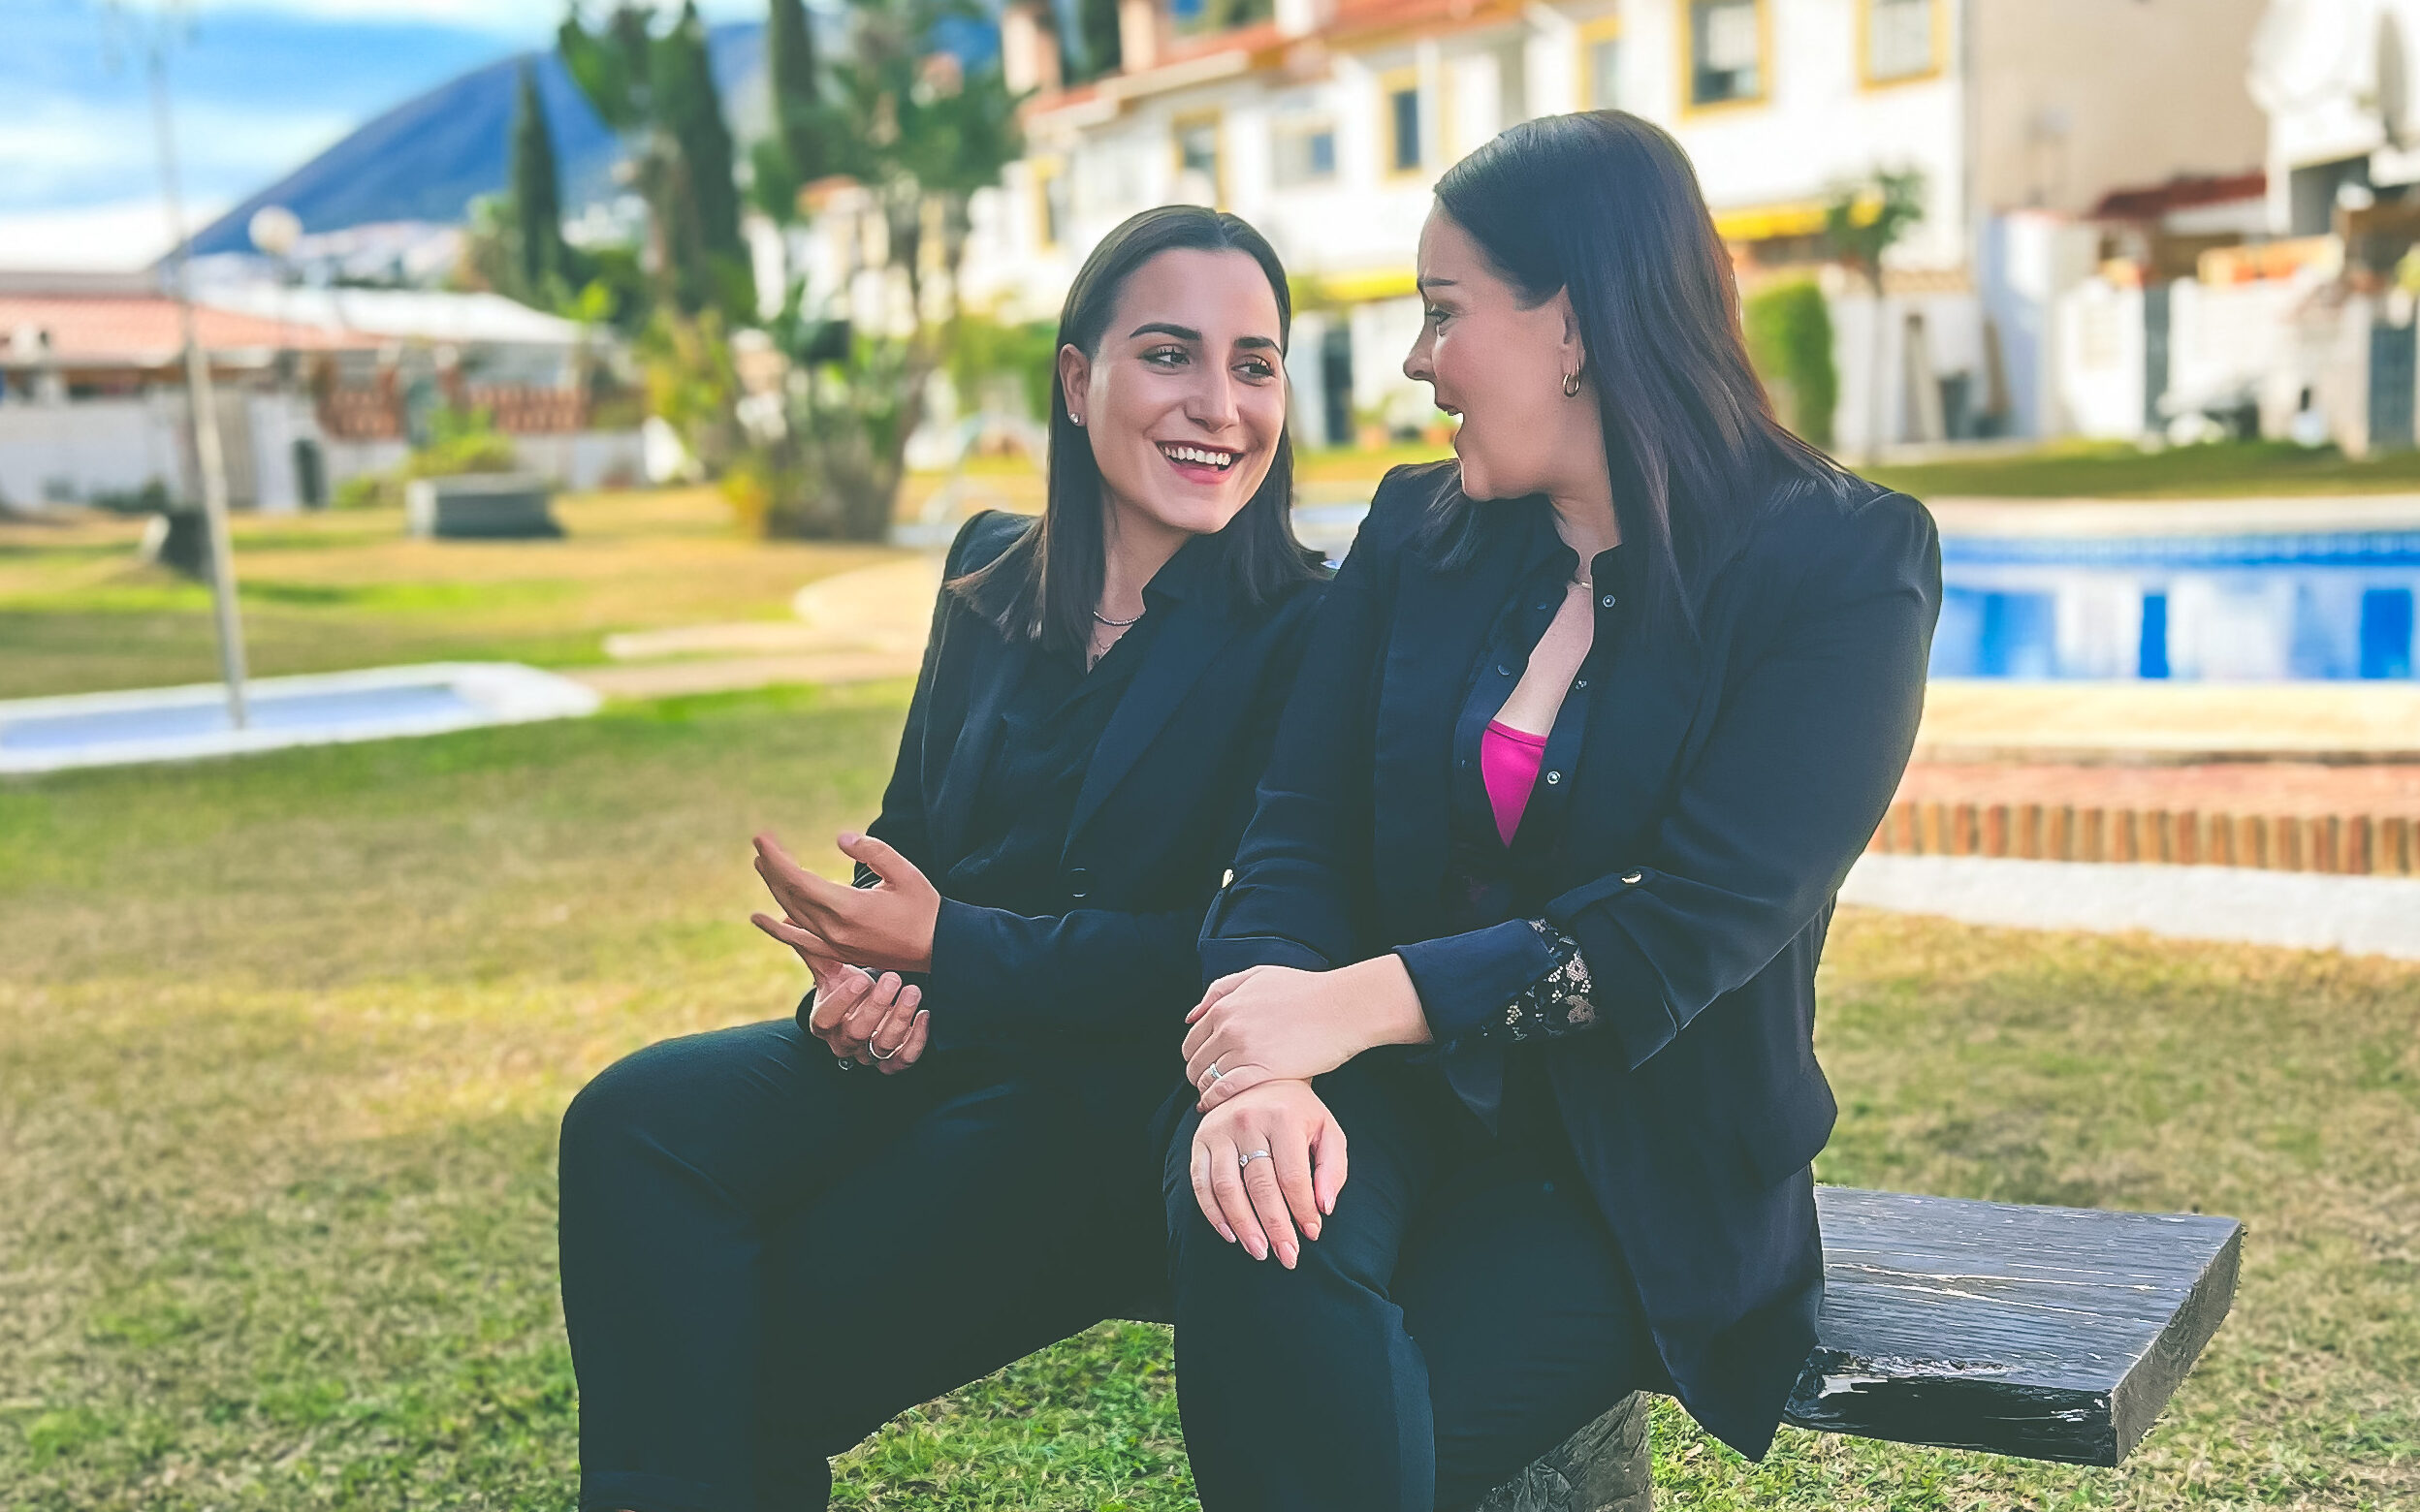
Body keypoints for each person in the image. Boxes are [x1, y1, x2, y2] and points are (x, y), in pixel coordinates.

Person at [1162, 110, 1944, 1511]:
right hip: (1387, 1104)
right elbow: (1295, 828)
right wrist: (1271, 1061)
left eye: (1442, 313)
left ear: (1572, 323)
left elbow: (1689, 927)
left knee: (1342, 1452)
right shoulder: (1417, 531)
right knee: (1246, 1220)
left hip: (1638, 1177)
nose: (1417, 362)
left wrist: (1350, 1005)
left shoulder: (1842, 563)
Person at [557, 204, 1325, 1512]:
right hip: (936, 1041)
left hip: (1107, 1094)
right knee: (633, 1127)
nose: (1219, 403)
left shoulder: (1308, 628)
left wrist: (943, 949)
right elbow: (910, 834)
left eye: (1253, 364)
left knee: (741, 1345)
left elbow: (1231, 954)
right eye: (1169, 354)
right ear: (1078, 382)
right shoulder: (988, 570)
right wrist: (859, 982)